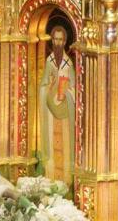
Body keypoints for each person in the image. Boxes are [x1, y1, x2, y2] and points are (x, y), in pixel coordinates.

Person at [39, 24, 75, 182]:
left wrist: (66, 92)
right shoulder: (50, 61)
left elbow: (74, 88)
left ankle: (66, 181)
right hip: (50, 113)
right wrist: (49, 89)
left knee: (65, 146)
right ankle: (51, 179)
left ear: (65, 42)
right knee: (53, 145)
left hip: (65, 113)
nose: (58, 43)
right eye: (55, 39)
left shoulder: (68, 63)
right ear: (52, 40)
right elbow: (43, 84)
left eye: (60, 40)